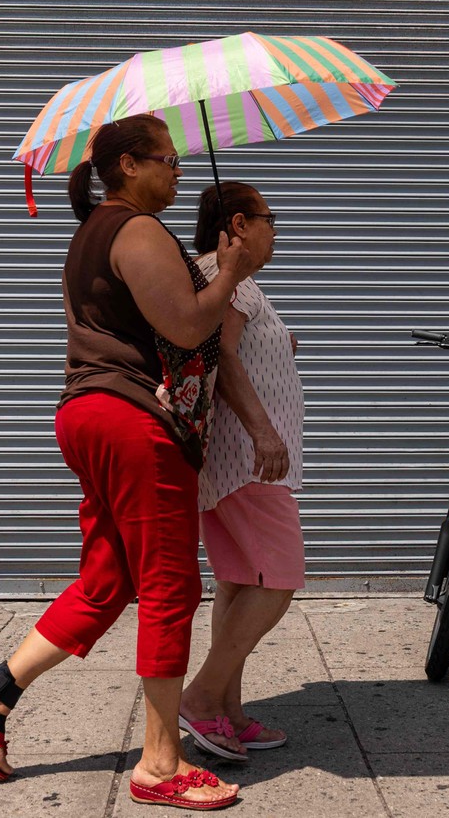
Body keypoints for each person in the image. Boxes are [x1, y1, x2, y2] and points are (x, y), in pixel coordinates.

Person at [0, 115, 254, 811]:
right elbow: (185, 322)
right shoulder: (135, 230)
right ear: (128, 165)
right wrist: (228, 270)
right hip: (132, 420)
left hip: (95, 416)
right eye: (168, 160)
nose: (178, 171)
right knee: (170, 584)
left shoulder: (95, 233)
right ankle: (160, 763)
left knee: (108, 579)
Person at [177, 182, 305, 763]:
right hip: (250, 463)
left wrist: (278, 346)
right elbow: (222, 354)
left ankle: (228, 712)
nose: (276, 230)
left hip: (226, 463)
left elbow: (234, 347)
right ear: (240, 224)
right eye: (269, 218)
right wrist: (263, 431)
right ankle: (203, 696)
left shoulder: (212, 274)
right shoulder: (227, 278)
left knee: (238, 583)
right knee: (276, 582)